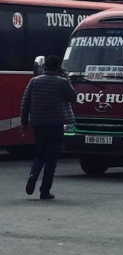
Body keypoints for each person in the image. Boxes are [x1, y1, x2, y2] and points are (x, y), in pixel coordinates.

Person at [20, 55, 77, 200]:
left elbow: (25, 102)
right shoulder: (62, 82)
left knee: (40, 153)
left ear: (45, 67)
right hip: (56, 124)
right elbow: (73, 97)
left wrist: (24, 122)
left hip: (38, 123)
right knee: (51, 158)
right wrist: (67, 79)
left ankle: (33, 175)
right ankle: (44, 191)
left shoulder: (34, 81)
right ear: (58, 67)